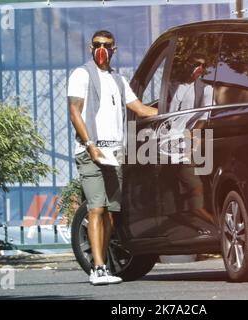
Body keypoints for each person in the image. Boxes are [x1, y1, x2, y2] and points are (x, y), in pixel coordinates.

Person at [68, 30, 157, 286]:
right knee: (96, 207)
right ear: (90, 47)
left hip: (114, 155)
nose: (101, 49)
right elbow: (75, 112)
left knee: (109, 213)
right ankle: (97, 268)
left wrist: (174, 113)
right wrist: (89, 145)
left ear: (114, 49)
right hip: (91, 153)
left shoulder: (118, 80)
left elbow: (139, 109)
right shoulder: (81, 74)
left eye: (106, 45)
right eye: (97, 45)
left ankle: (103, 264)